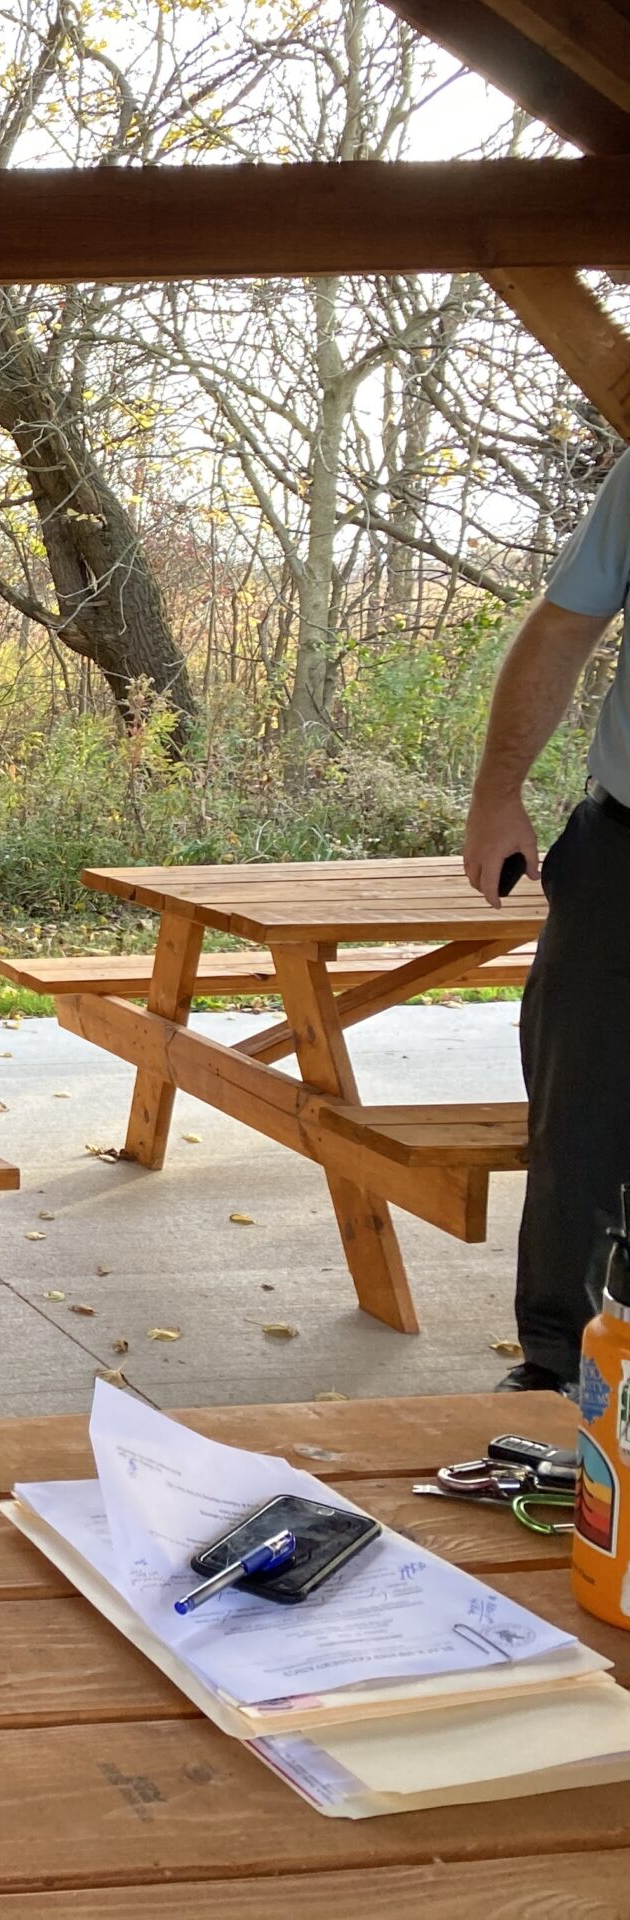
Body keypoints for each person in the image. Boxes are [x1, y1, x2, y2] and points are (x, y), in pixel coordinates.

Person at [462, 443, 630, 1394]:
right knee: (584, 1120)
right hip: (625, 856)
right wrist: (498, 792)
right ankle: (567, 1371)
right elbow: (565, 626)